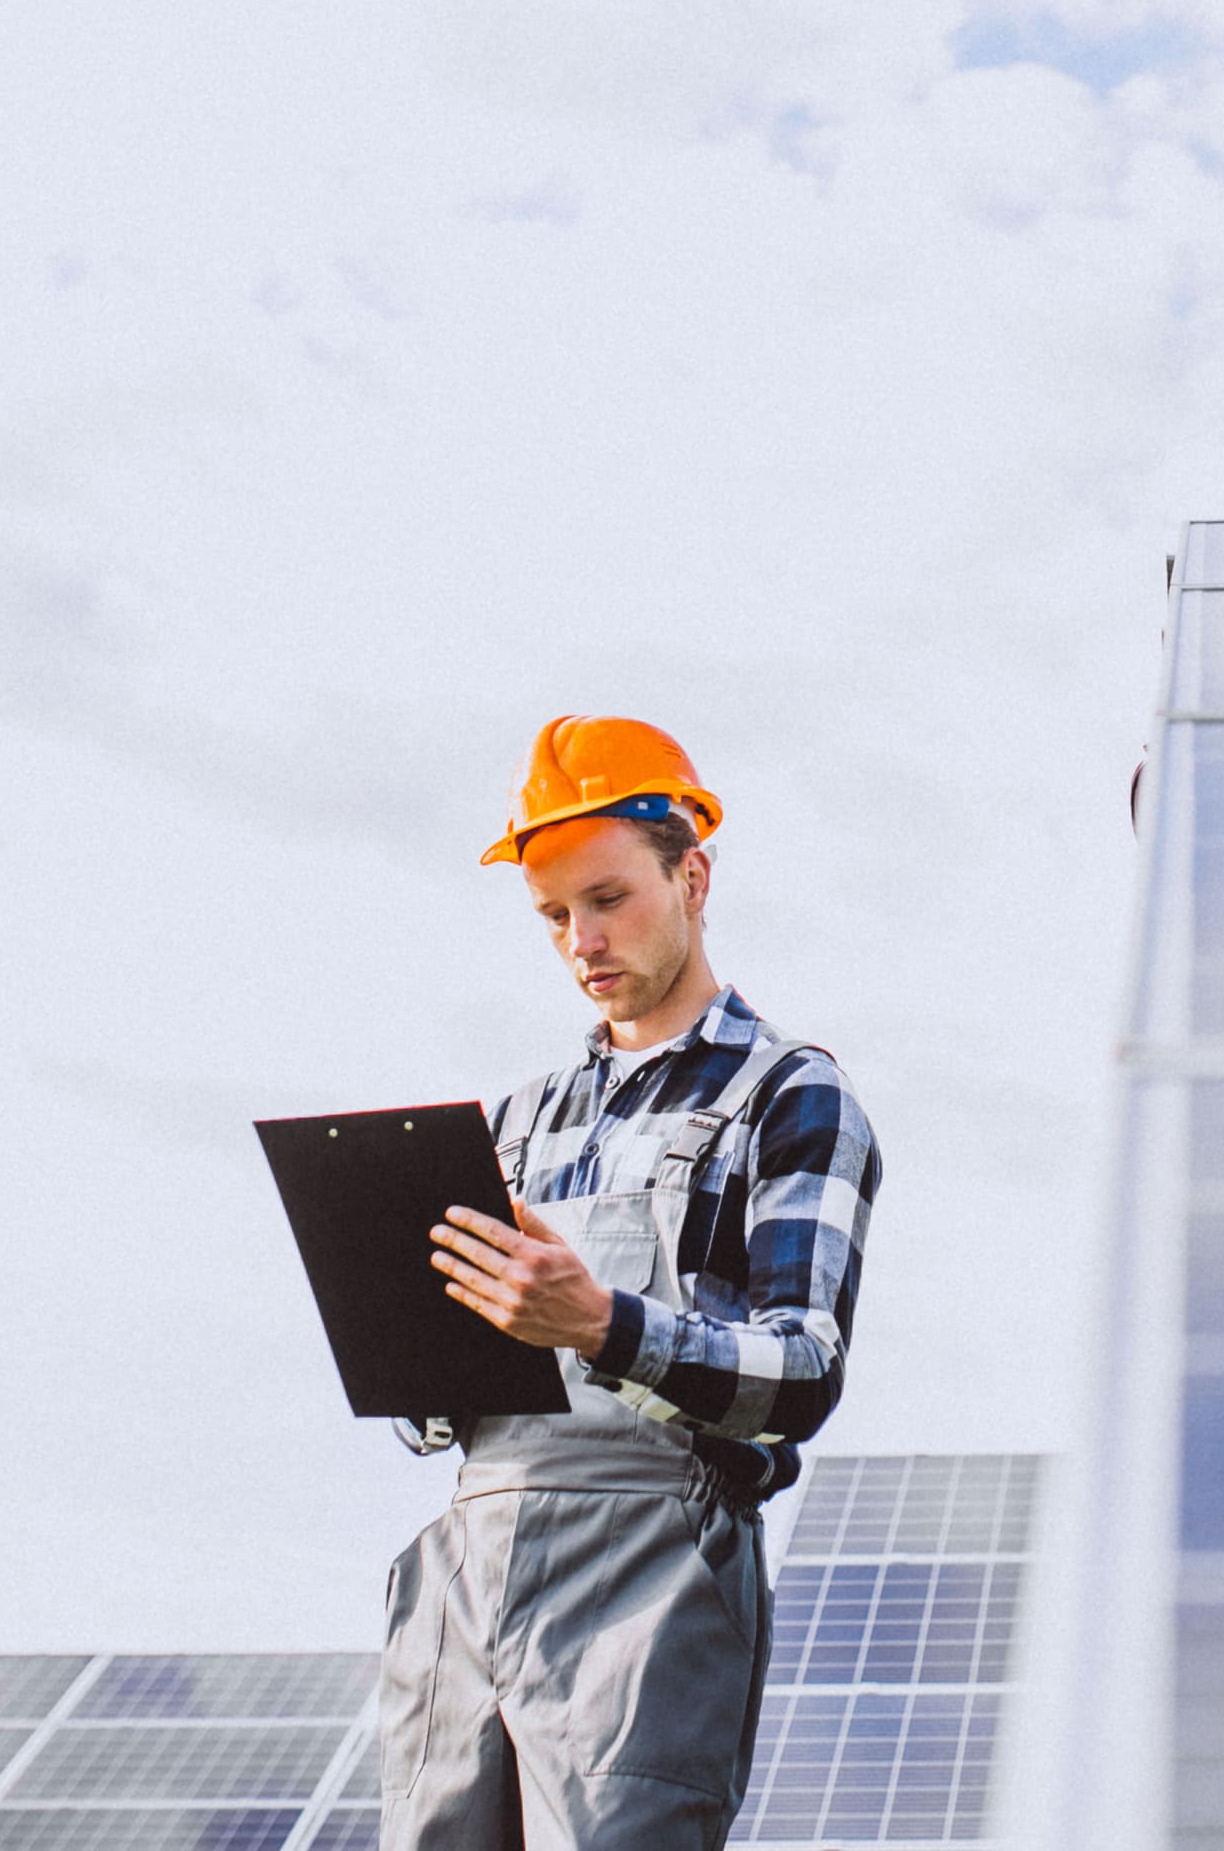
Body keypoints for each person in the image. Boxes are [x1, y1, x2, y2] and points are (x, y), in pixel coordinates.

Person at [375, 715, 882, 1851]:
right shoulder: (511, 1125)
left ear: (691, 875)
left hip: (649, 1578)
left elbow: (802, 1372)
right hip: (470, 1569)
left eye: (607, 899)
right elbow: (438, 1413)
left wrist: (601, 1325)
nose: (580, 940)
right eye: (553, 915)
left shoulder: (787, 1096)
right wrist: (400, 1340)